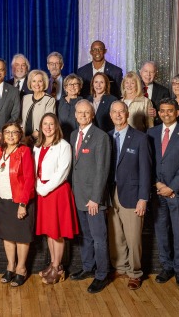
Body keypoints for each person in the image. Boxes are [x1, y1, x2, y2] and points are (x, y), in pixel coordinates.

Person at [147, 98, 179, 288]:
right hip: (157, 192)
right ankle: (166, 267)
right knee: (161, 231)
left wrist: (172, 187)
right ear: (158, 113)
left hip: (177, 193)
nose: (166, 114)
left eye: (170, 111)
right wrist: (158, 185)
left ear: (177, 113)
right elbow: (148, 162)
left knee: (178, 231)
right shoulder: (151, 133)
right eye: (163, 111)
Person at [69, 99, 112, 294]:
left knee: (99, 238)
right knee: (85, 236)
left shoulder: (100, 136)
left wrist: (96, 198)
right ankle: (88, 267)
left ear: (92, 114)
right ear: (75, 114)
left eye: (87, 113)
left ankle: (102, 274)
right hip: (79, 196)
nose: (83, 116)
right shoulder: (72, 135)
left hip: (94, 199)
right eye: (80, 112)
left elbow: (102, 170)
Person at [108, 101, 151, 290]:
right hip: (111, 192)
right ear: (110, 115)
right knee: (116, 234)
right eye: (115, 112)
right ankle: (121, 267)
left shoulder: (140, 138)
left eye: (121, 112)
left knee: (133, 237)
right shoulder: (107, 137)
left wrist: (144, 198)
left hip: (133, 194)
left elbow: (146, 171)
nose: (118, 115)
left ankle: (135, 272)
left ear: (127, 114)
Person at [33, 113, 78, 284]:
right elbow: (35, 169)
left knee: (57, 232)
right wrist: (38, 187)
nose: (48, 127)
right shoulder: (38, 145)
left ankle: (58, 268)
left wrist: (42, 189)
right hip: (42, 191)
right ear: (41, 126)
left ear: (56, 126)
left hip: (56, 192)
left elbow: (62, 173)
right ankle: (53, 264)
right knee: (49, 233)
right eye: (45, 124)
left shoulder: (64, 146)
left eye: (51, 124)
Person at [0, 122, 36, 287]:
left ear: (20, 135)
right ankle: (10, 266)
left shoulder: (24, 151)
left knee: (21, 237)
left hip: (19, 201)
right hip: (2, 200)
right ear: (3, 135)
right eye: (7, 132)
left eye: (14, 132)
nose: (10, 135)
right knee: (7, 236)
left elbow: (29, 180)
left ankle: (21, 268)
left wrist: (23, 204)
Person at [20, 69, 56, 146]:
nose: (37, 84)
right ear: (30, 83)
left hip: (40, 140)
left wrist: (31, 137)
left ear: (44, 83)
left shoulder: (49, 100)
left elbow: (48, 124)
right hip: (23, 139)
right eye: (34, 81)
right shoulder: (25, 98)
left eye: (40, 81)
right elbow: (21, 120)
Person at [139, 61, 170, 125]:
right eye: (145, 71)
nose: (148, 74)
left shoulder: (164, 91)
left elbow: (168, 113)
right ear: (141, 72)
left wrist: (157, 114)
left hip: (155, 129)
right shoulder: (133, 88)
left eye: (151, 72)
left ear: (155, 74)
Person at [57, 73, 83, 140]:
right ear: (65, 88)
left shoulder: (83, 103)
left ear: (80, 87)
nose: (72, 87)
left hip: (77, 138)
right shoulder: (58, 102)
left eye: (75, 84)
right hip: (60, 138)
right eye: (70, 84)